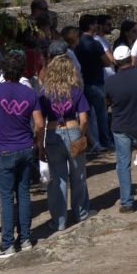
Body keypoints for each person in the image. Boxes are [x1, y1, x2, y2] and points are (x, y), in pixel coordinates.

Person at [0, 52, 45, 259]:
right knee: (23, 194)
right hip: (25, 147)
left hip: (3, 149)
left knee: (7, 198)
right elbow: (40, 123)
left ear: (4, 70)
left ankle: (7, 243)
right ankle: (24, 238)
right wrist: (37, 142)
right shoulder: (30, 93)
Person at [39, 55, 91, 232]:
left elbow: (40, 119)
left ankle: (59, 221)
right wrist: (81, 135)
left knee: (57, 179)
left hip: (53, 133)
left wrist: (39, 144)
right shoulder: (76, 91)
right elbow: (84, 119)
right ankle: (81, 213)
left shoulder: (45, 93)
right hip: (72, 129)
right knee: (79, 175)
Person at [103, 46, 137, 212]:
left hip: (120, 125)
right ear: (131, 58)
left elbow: (106, 102)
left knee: (123, 164)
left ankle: (127, 202)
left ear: (116, 61)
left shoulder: (110, 81)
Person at [75, 17, 111, 151]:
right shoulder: (95, 43)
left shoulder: (78, 43)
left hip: (84, 83)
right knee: (101, 114)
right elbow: (107, 62)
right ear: (90, 26)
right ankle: (105, 141)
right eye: (95, 23)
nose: (97, 25)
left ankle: (93, 143)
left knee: (88, 116)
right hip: (96, 81)